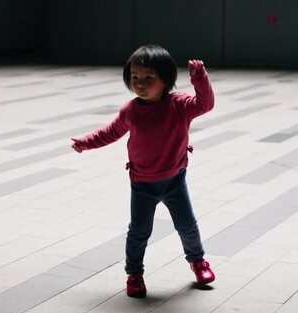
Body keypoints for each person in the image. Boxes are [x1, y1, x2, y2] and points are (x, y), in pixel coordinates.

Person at [71, 44, 216, 298]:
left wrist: (199, 78)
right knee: (138, 232)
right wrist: (86, 142)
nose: (140, 83)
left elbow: (205, 104)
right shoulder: (130, 111)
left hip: (174, 181)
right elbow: (110, 132)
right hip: (142, 184)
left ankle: (198, 262)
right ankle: (134, 274)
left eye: (149, 78)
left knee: (187, 226)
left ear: (166, 79)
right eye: (135, 78)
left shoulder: (179, 106)